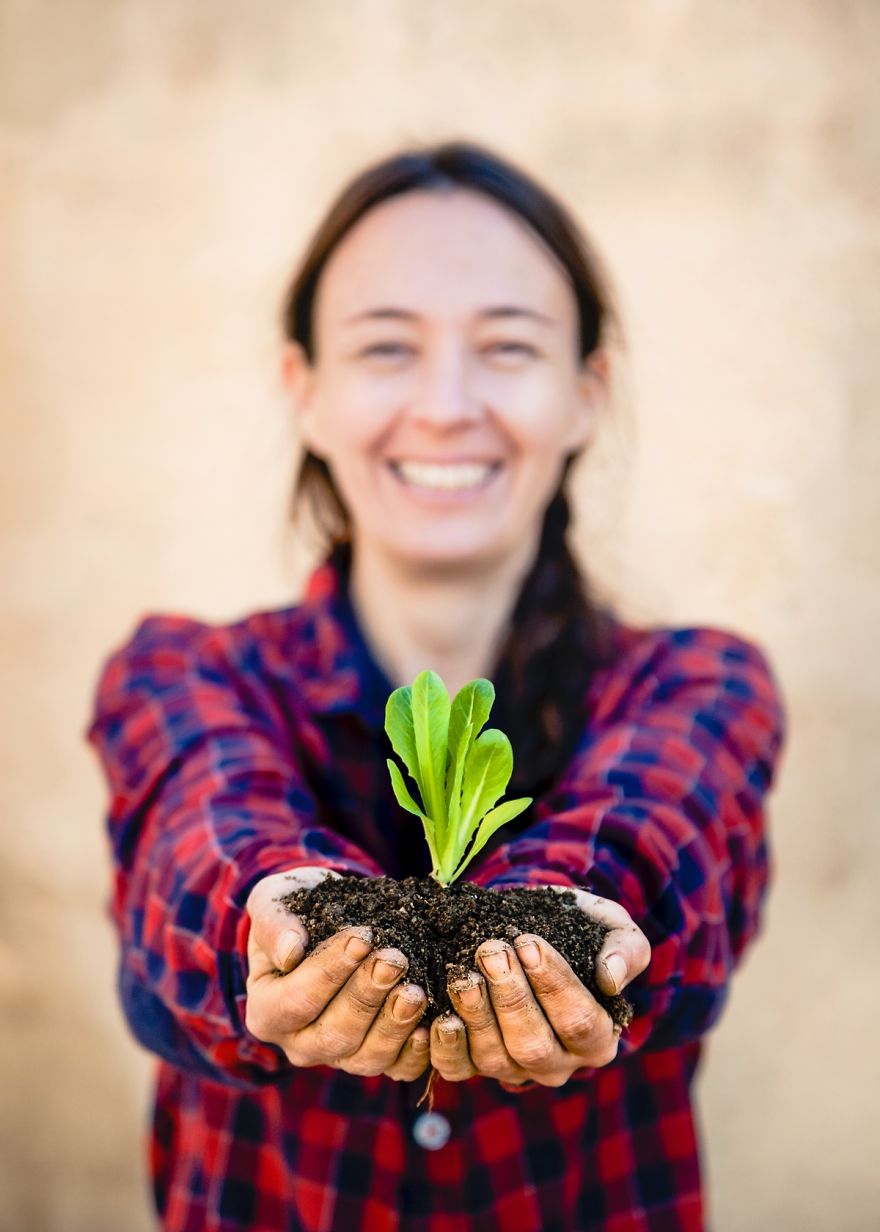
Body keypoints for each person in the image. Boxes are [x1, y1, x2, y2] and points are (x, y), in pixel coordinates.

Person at [85, 141, 787, 1232]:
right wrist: (273, 926)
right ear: (305, 392)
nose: (447, 405)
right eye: (386, 346)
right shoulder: (186, 675)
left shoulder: (696, 686)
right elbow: (203, 829)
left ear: (585, 395)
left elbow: (656, 827)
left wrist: (552, 932)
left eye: (508, 346)